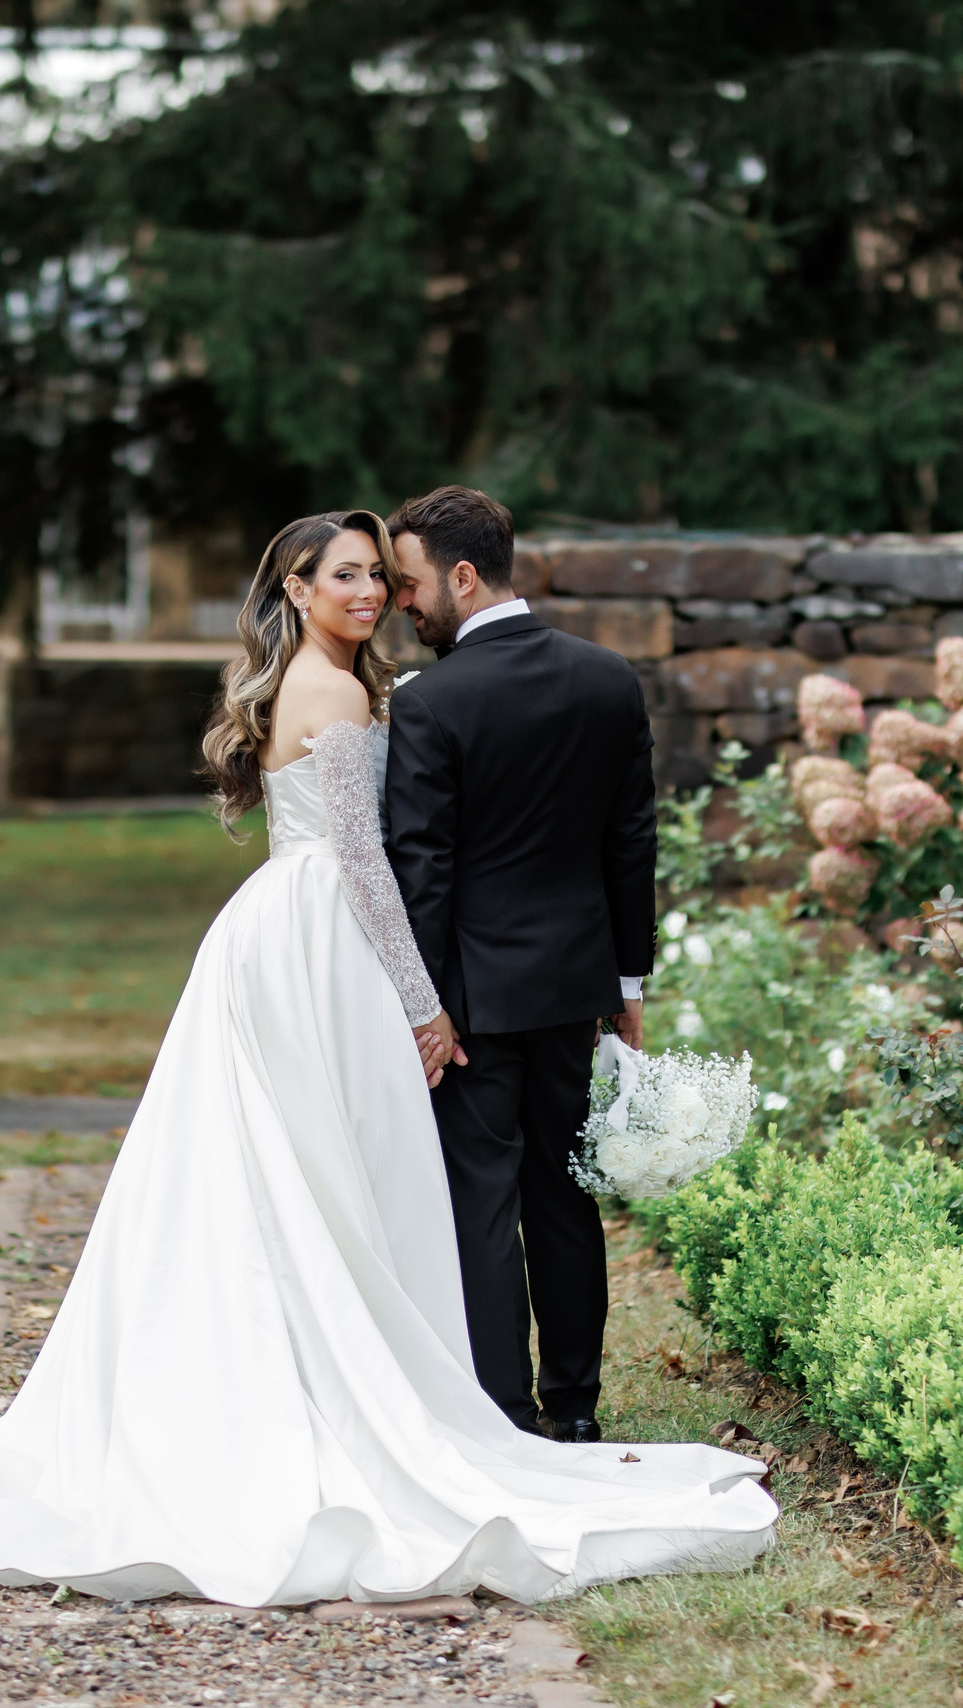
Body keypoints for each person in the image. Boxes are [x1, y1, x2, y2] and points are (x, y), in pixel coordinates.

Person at [0, 509, 773, 1607]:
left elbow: (401, 855)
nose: (375, 593)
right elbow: (376, 866)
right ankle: (451, 1398)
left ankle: (433, 1386)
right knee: (336, 1169)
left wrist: (426, 996)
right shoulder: (354, 691)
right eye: (349, 576)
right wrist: (430, 1006)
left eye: (383, 574)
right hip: (332, 941)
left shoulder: (386, 691)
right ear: (294, 588)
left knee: (341, 1174)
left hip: (326, 934)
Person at [381, 484, 650, 1443]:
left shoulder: (428, 705)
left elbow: (424, 869)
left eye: (409, 585)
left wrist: (425, 1005)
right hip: (574, 989)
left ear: (462, 576)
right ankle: (575, 1410)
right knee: (564, 1194)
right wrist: (628, 986)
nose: (400, 605)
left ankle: (503, 1414)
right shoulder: (609, 679)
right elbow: (631, 843)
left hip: (472, 1004)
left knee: (483, 1201)